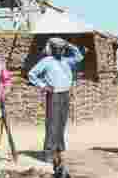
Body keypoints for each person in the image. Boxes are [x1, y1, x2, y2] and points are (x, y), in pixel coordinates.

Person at [27, 37, 86, 168]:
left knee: (61, 122)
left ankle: (59, 149)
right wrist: (43, 86)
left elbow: (79, 57)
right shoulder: (46, 61)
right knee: (52, 123)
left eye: (61, 48)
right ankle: (48, 152)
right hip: (53, 95)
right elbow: (32, 74)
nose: (60, 51)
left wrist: (69, 45)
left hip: (65, 94)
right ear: (52, 49)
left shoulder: (66, 61)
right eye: (57, 48)